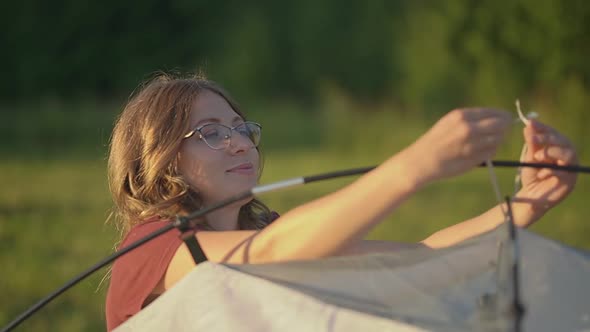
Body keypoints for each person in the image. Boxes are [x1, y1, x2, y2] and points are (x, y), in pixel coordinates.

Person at [105, 73, 577, 330]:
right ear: (159, 159)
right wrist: (413, 166)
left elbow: (422, 255)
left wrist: (526, 204)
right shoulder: (152, 245)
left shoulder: (272, 236)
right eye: (211, 133)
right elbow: (264, 256)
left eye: (241, 128)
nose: (239, 143)